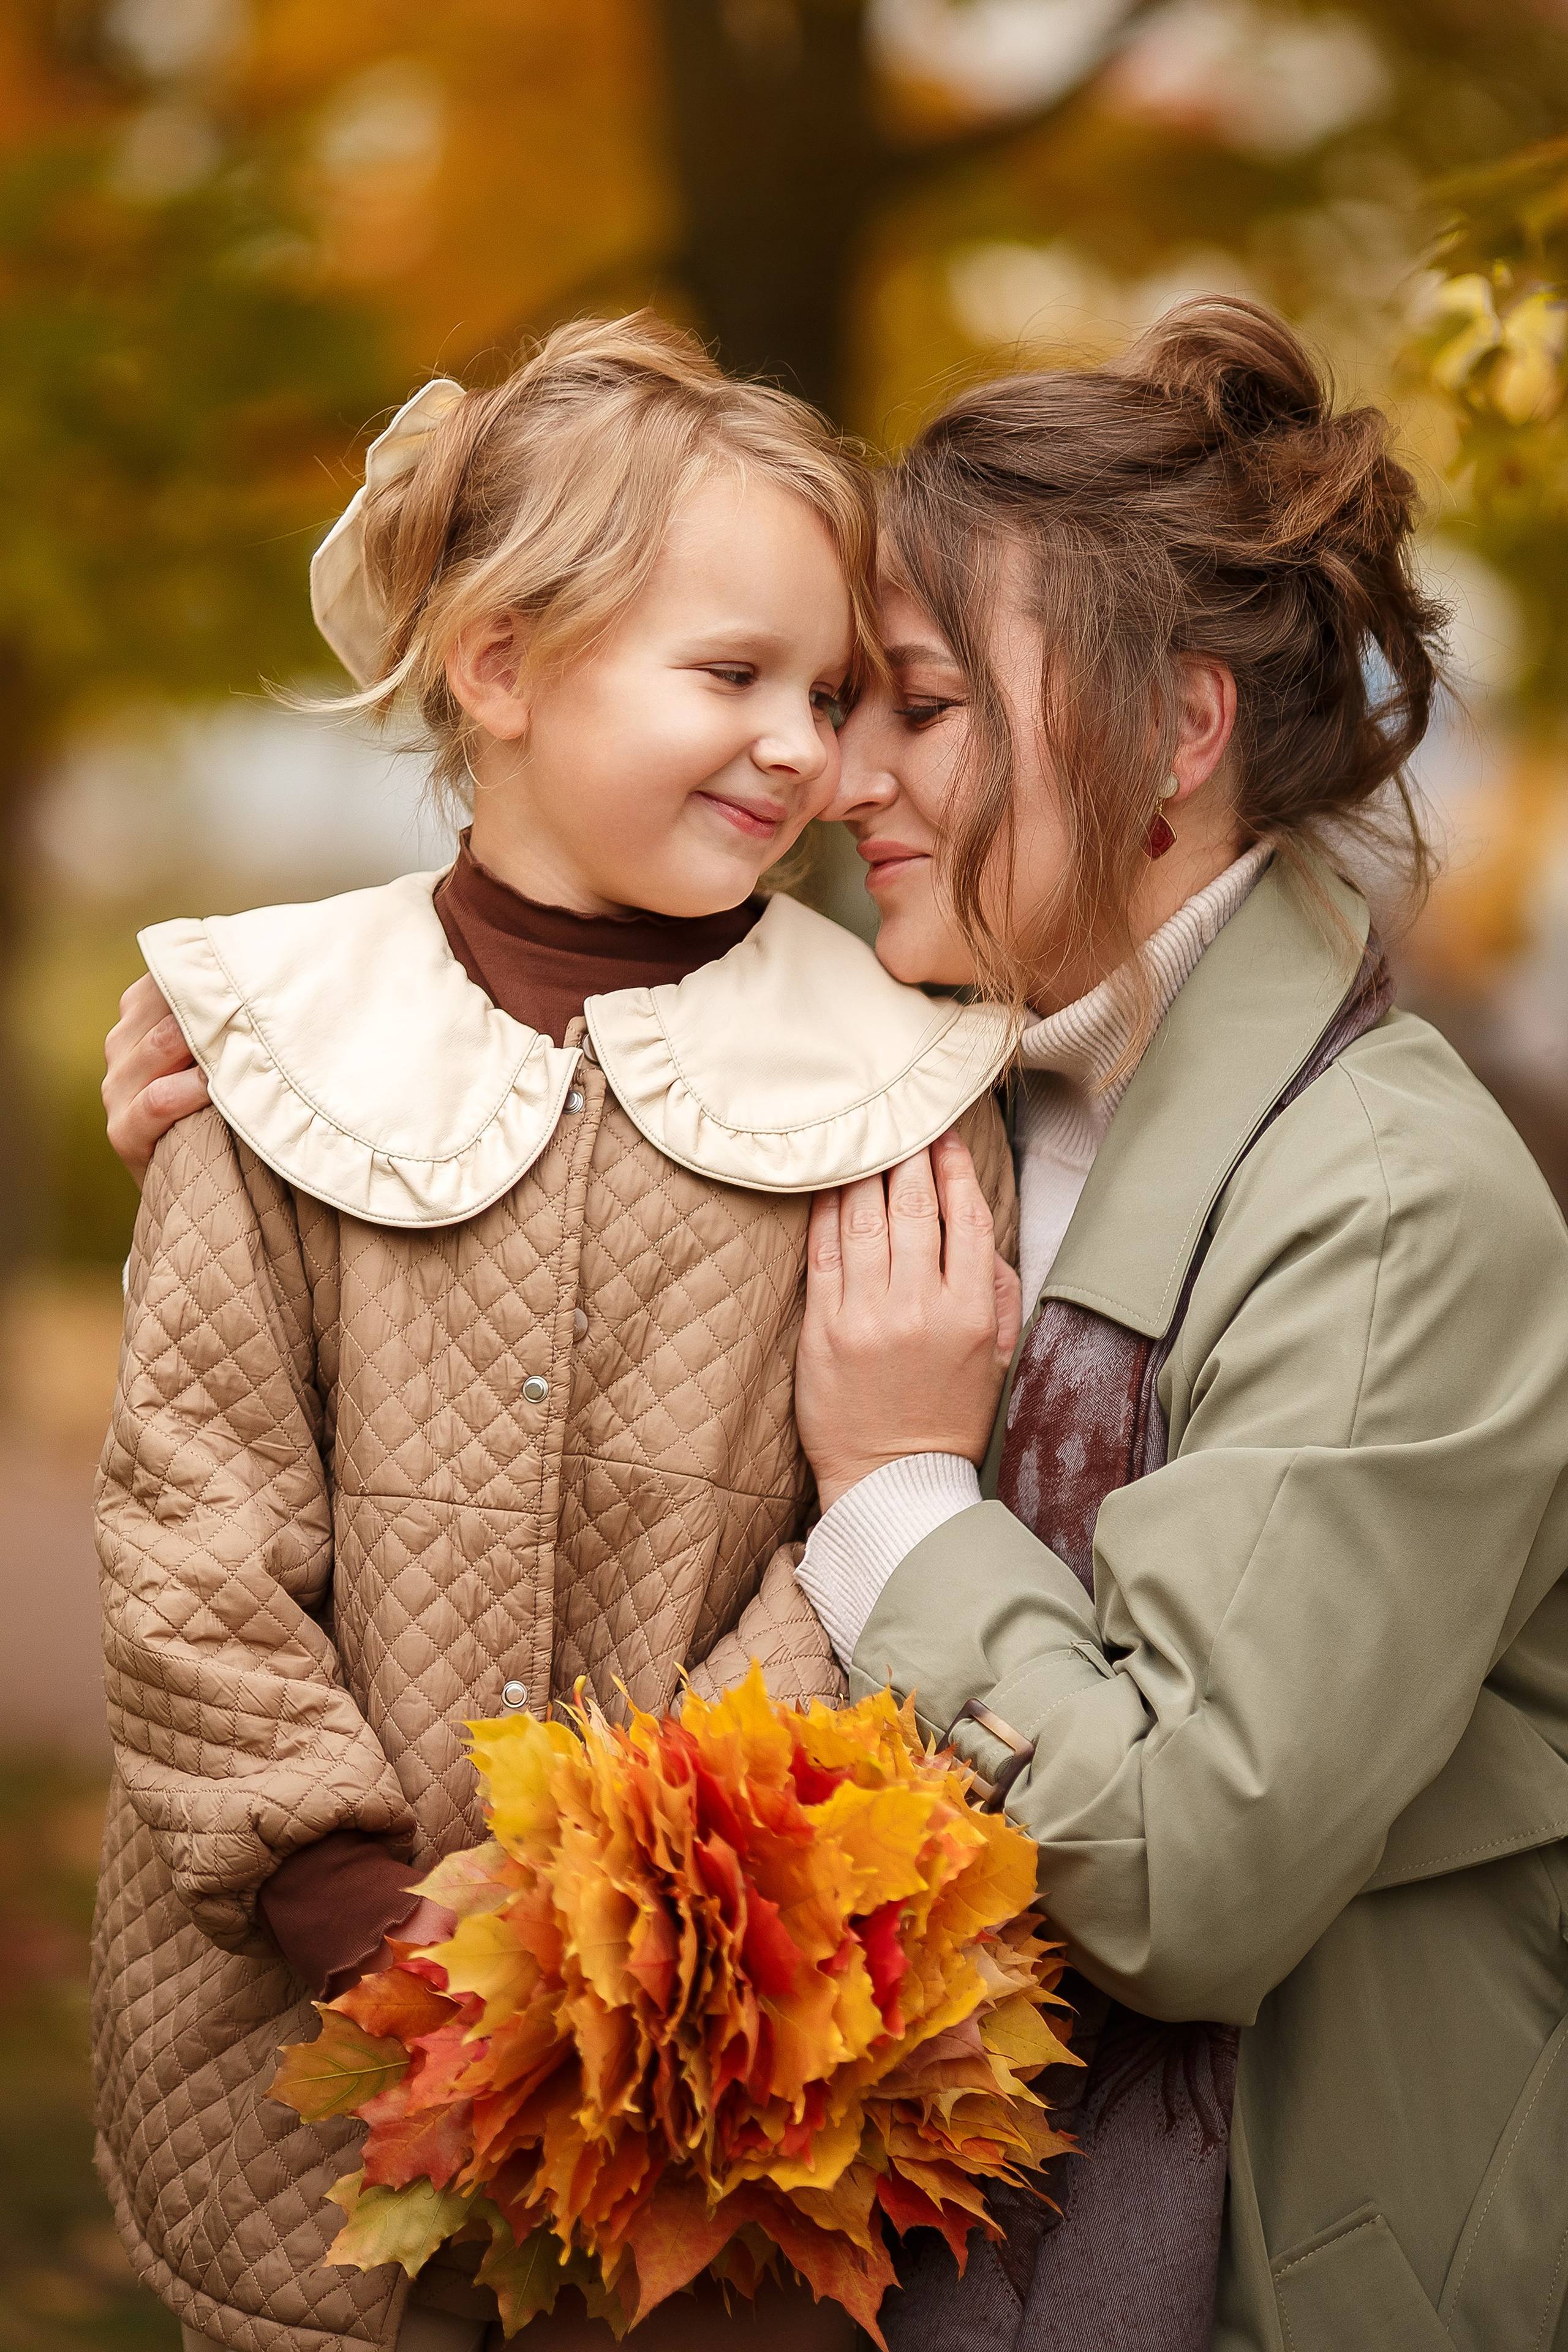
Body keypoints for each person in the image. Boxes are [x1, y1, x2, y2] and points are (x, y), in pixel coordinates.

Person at [89, 312, 1015, 2352]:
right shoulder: (279, 1055)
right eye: (735, 675)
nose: (806, 745)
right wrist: (357, 1911)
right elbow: (193, 1531)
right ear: (499, 668)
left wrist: (653, 1914)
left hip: (710, 2067)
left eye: (837, 690)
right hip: (292, 2033)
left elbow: (860, 1526)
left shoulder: (893, 1088)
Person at [785, 302, 1568, 2351]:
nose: (841, 772)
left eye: (928, 708)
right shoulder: (916, 1072)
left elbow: (1192, 1872)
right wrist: (235, 1082)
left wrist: (895, 1494)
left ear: (1180, 733)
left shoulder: (1389, 1206)